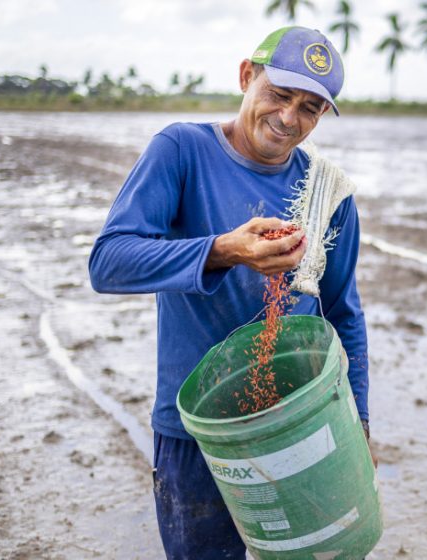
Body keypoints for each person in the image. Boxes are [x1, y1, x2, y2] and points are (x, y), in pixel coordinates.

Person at [89, 26, 370, 559]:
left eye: (310, 108)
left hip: (300, 427)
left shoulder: (327, 192)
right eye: (280, 95)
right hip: (197, 434)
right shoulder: (182, 151)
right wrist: (223, 250)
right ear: (247, 76)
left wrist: (361, 426)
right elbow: (109, 262)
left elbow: (343, 315)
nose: (290, 118)